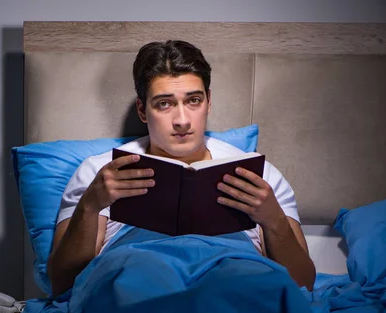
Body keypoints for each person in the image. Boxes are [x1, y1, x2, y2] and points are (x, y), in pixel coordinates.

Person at [47, 40, 316, 296]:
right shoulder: (101, 172)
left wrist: (274, 220)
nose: (182, 120)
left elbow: (304, 283)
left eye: (193, 100)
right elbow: (62, 284)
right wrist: (90, 206)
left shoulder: (259, 174)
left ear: (208, 101)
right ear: (142, 110)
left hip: (232, 283)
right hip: (137, 286)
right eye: (164, 104)